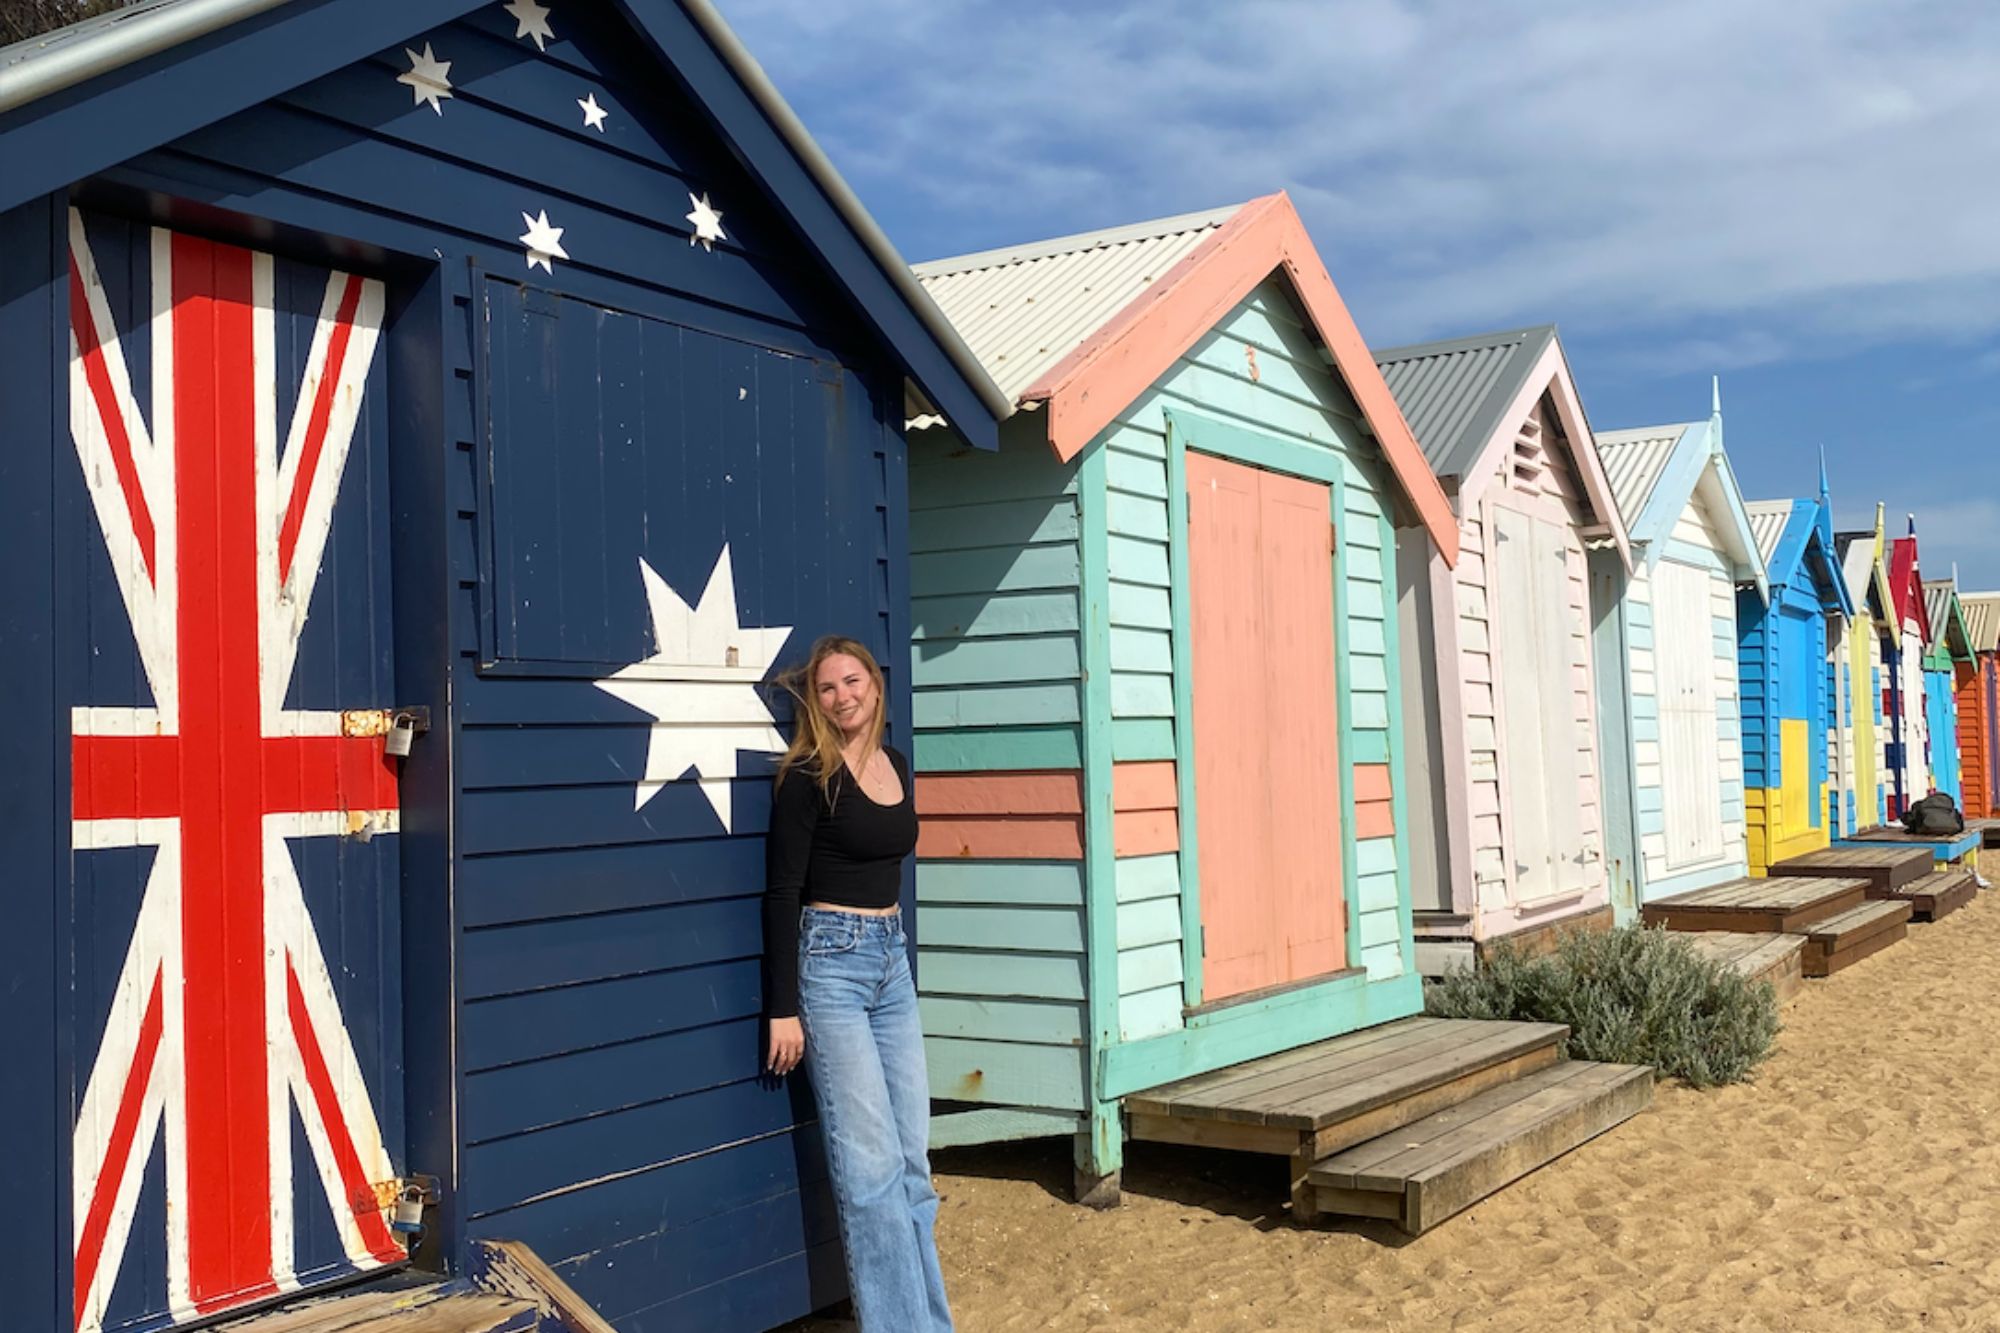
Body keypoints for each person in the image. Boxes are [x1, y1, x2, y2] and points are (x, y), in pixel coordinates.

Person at [765, 635, 953, 1331]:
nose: (843, 696)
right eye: (827, 688)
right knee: (871, 1173)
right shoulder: (808, 776)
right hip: (832, 966)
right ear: (815, 702)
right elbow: (782, 891)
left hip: (890, 961)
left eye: (852, 681)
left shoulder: (895, 763)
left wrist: (893, 954)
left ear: (875, 685)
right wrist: (784, 1007)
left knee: (912, 1165)